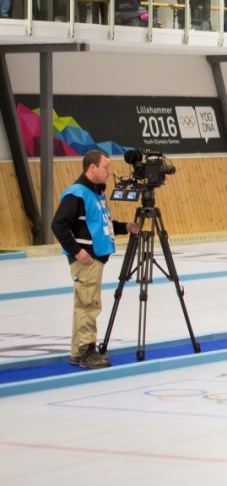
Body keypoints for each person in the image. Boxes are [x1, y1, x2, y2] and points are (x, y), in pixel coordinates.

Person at [50, 150, 138, 369]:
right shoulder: (77, 194)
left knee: (84, 304)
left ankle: (78, 353)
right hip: (86, 259)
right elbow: (58, 225)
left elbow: (101, 225)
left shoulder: (96, 193)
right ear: (92, 168)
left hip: (94, 258)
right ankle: (87, 352)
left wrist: (124, 227)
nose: (109, 172)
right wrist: (76, 251)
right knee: (89, 305)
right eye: (105, 168)